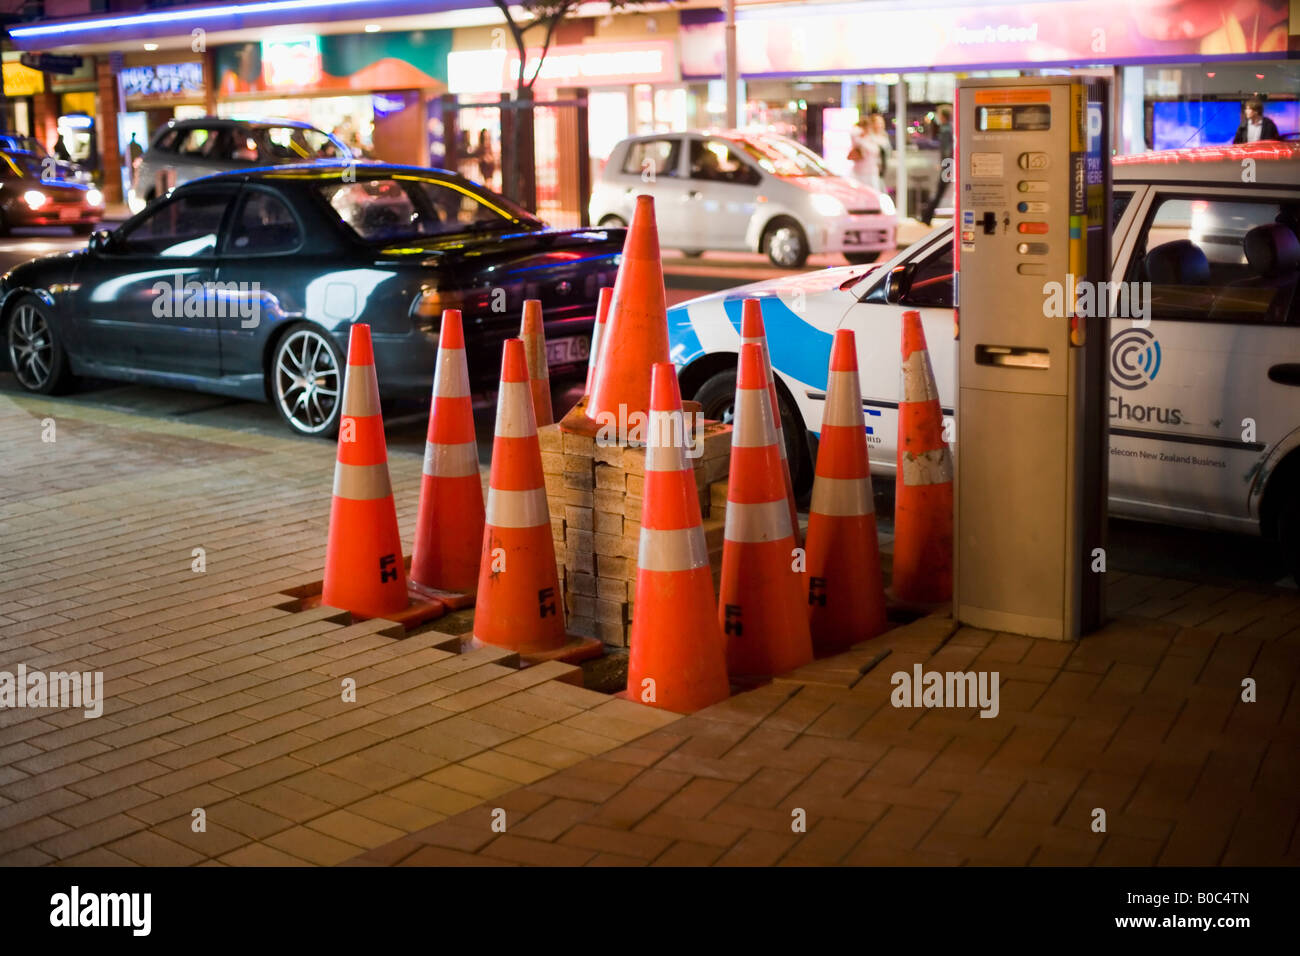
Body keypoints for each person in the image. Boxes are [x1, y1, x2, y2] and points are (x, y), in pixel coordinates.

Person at [920, 105, 953, 226]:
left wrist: (945, 165)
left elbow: (946, 150)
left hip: (948, 165)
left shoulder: (945, 130)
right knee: (940, 190)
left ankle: (926, 217)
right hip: (949, 164)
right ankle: (926, 216)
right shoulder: (950, 128)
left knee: (939, 191)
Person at [848, 119, 880, 190]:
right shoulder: (857, 139)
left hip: (870, 173)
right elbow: (853, 132)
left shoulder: (871, 138)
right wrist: (860, 132)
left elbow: (875, 151)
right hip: (858, 172)